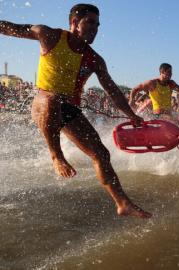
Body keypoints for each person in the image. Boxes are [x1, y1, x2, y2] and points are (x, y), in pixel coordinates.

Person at [0, 4, 152, 218]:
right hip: (42, 103)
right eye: (90, 22)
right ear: (74, 23)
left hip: (69, 109)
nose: (95, 28)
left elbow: (114, 92)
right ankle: (56, 156)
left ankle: (122, 203)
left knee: (101, 153)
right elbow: (10, 28)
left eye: (98, 25)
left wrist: (132, 115)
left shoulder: (95, 59)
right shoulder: (50, 36)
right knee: (52, 98)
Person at [129, 63, 179, 129]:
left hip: (169, 113)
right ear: (162, 72)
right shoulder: (152, 83)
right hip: (158, 114)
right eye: (169, 72)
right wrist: (131, 100)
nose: (171, 74)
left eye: (171, 72)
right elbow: (135, 89)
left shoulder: (171, 83)